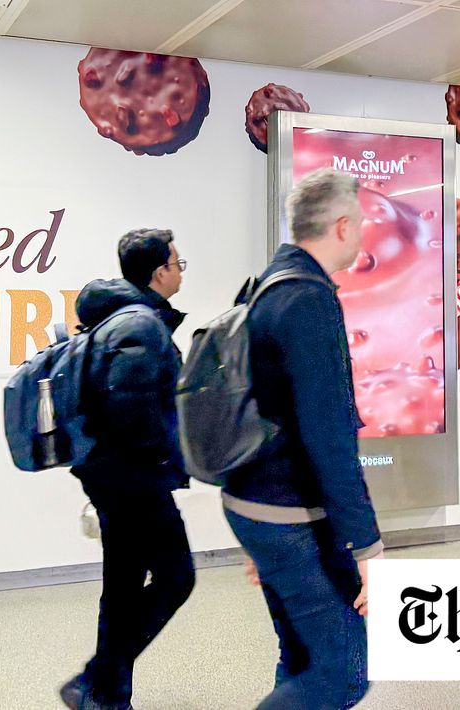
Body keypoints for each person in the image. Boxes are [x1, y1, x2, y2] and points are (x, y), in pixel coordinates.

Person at [223, 168, 383, 709]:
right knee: (344, 673)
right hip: (290, 513)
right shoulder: (309, 299)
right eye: (359, 222)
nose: (362, 232)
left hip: (256, 501)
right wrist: (367, 548)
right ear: (341, 226)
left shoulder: (267, 284)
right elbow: (329, 438)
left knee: (301, 655)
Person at [62, 229, 196, 710]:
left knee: (122, 588)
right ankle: (98, 681)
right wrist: (164, 459)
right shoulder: (141, 325)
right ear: (160, 272)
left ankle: (105, 695)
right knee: (177, 577)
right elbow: (131, 409)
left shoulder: (124, 319)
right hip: (135, 481)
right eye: (178, 264)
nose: (181, 272)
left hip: (113, 476)